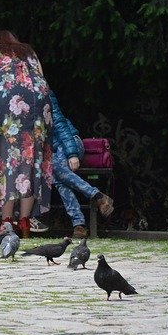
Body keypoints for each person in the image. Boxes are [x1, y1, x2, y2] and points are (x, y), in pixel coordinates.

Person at [0, 30, 53, 239]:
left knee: (5, 160)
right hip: (39, 104)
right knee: (32, 161)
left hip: (9, 104)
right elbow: (41, 78)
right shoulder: (30, 53)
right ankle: (25, 222)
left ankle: (6, 222)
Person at [50, 90, 114, 238]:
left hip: (69, 142)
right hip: (52, 154)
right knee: (59, 179)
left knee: (56, 168)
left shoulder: (44, 93)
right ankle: (95, 201)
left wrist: (72, 153)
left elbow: (60, 124)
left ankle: (80, 221)